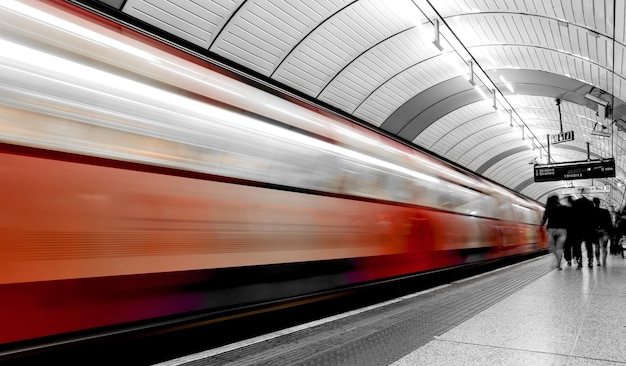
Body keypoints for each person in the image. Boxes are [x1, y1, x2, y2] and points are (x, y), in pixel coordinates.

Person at [540, 195, 569, 270]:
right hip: (562, 230)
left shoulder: (548, 208)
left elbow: (544, 219)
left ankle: (556, 261)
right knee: (559, 248)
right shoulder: (564, 208)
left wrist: (540, 227)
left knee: (553, 248)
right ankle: (558, 265)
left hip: (551, 230)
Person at [574, 195, 596, 268]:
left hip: (577, 227)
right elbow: (593, 216)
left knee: (578, 245)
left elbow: (572, 216)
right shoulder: (590, 203)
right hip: (588, 227)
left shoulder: (575, 203)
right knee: (589, 245)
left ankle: (579, 261)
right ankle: (590, 261)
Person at [591, 197, 613, 266]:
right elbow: (609, 223)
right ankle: (604, 262)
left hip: (595, 232)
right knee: (604, 247)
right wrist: (610, 232)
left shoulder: (591, 212)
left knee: (597, 246)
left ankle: (598, 261)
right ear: (599, 203)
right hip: (604, 231)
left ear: (593, 203)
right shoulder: (605, 211)